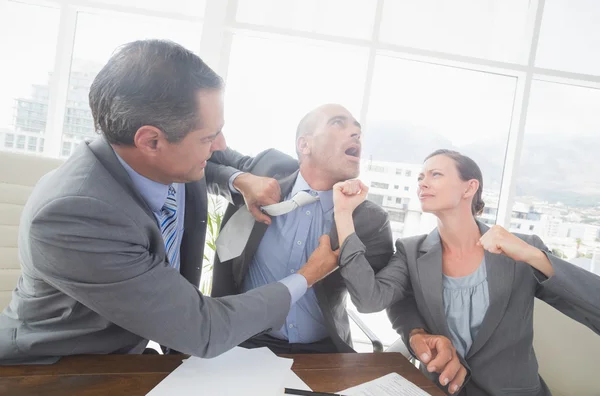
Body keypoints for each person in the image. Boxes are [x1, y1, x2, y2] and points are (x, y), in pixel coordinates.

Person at [0, 40, 336, 365]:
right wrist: (306, 275)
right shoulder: (75, 216)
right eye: (208, 137)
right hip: (59, 368)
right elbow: (203, 329)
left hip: (136, 357)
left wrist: (237, 179)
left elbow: (221, 161)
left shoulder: (152, 152)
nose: (219, 145)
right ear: (151, 141)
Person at [209, 105, 466, 389]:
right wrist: (238, 179)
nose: (356, 132)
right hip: (243, 344)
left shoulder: (368, 219)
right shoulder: (266, 168)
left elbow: (388, 292)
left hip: (323, 353)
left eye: (357, 128)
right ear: (304, 144)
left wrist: (415, 332)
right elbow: (198, 160)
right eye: (338, 123)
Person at [322, 149, 600, 395]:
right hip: (440, 389)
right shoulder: (410, 251)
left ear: (469, 188)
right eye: (420, 177)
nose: (422, 183)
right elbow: (369, 299)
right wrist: (344, 215)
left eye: (435, 174)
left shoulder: (522, 249)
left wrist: (534, 256)